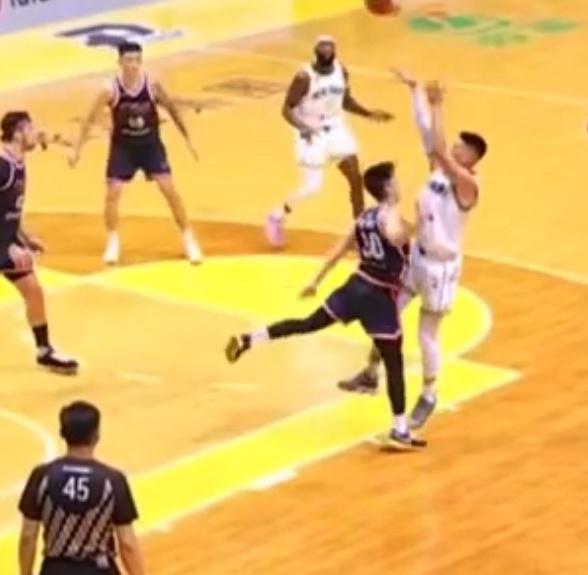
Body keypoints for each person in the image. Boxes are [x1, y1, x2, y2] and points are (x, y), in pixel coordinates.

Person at [228, 162, 426, 449]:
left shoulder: (363, 218)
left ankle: (250, 339)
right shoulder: (390, 215)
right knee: (393, 362)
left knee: (308, 323)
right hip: (379, 296)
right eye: (395, 180)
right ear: (387, 188)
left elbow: (337, 251)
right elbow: (396, 236)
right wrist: (420, 222)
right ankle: (400, 430)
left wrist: (315, 281)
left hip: (355, 286)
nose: (399, 183)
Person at [338, 74, 488, 431]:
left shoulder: (468, 184)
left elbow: (439, 147)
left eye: (460, 146)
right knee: (384, 314)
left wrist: (438, 106)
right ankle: (371, 373)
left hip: (440, 268)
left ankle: (429, 395)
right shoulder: (438, 170)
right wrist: (415, 92)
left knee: (426, 335)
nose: (453, 147)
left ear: (471, 156)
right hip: (416, 258)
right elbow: (426, 132)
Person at [69, 41, 202, 265]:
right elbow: (89, 118)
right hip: (124, 148)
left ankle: (189, 239)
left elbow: (172, 109)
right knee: (113, 192)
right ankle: (113, 241)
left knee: (169, 189)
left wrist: (188, 139)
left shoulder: (152, 85)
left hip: (150, 146)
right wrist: (77, 150)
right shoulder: (110, 89)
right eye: (129, 60)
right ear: (120, 62)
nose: (133, 65)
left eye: (137, 60)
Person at [265, 35, 392, 247]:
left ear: (334, 51)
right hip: (311, 132)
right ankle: (278, 214)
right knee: (312, 187)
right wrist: (303, 127)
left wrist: (369, 113)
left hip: (336, 129)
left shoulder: (341, 71)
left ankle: (359, 232)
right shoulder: (304, 77)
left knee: (355, 177)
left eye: (330, 47)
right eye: (322, 47)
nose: (326, 50)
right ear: (315, 51)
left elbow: (346, 102)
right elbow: (286, 109)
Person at [18, 401, 144, 575]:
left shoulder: (41, 476)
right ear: (97, 435)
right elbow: (127, 543)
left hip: (55, 570)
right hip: (98, 570)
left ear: (62, 433)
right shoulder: (113, 480)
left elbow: (28, 536)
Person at [0, 111, 78, 375]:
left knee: (33, 290)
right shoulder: (2, 166)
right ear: (18, 134)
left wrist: (24, 238)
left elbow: (9, 209)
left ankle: (45, 351)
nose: (35, 134)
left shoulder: (18, 163)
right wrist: (7, 246)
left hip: (7, 243)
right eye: (31, 129)